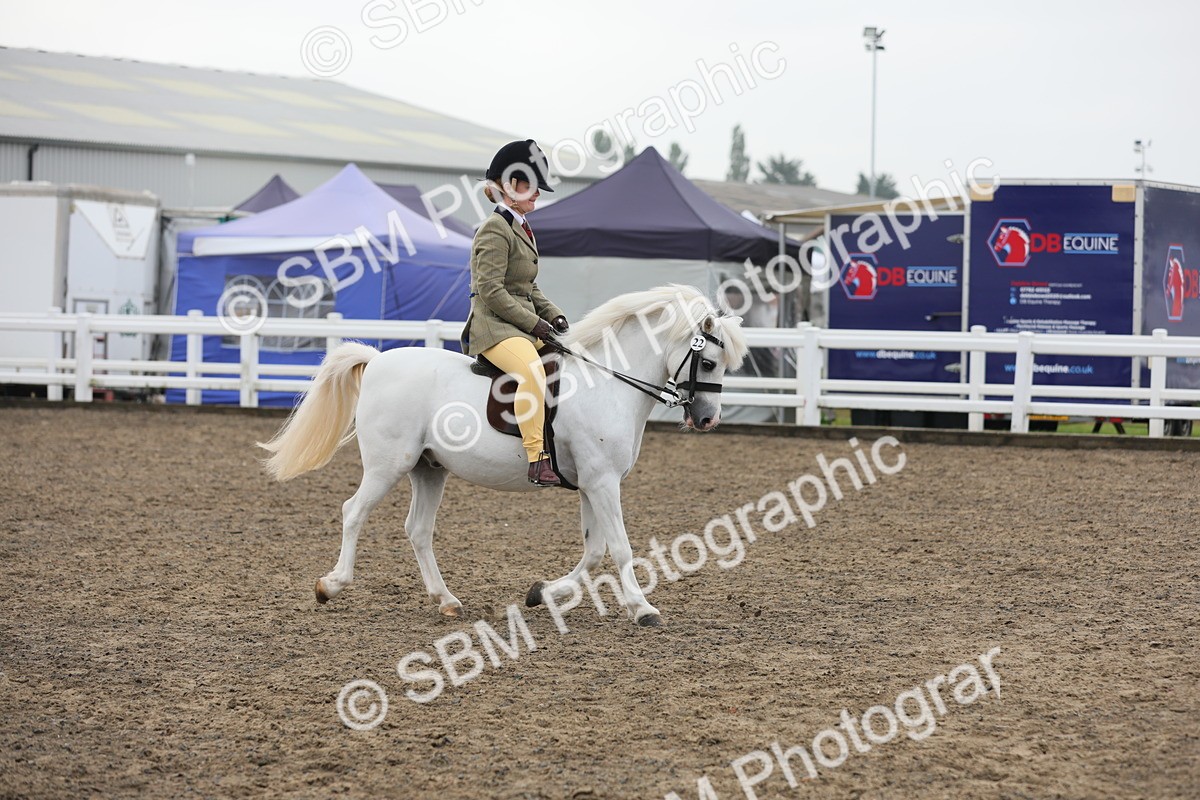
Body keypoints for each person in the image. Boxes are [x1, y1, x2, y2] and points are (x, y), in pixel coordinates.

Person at [461, 140, 569, 486]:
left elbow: (528, 287)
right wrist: (534, 323)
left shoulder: (520, 227)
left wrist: (554, 316)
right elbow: (491, 290)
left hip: (519, 325)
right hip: (494, 328)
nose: (538, 193)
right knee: (532, 371)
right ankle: (537, 458)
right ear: (511, 187)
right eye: (532, 186)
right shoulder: (494, 229)